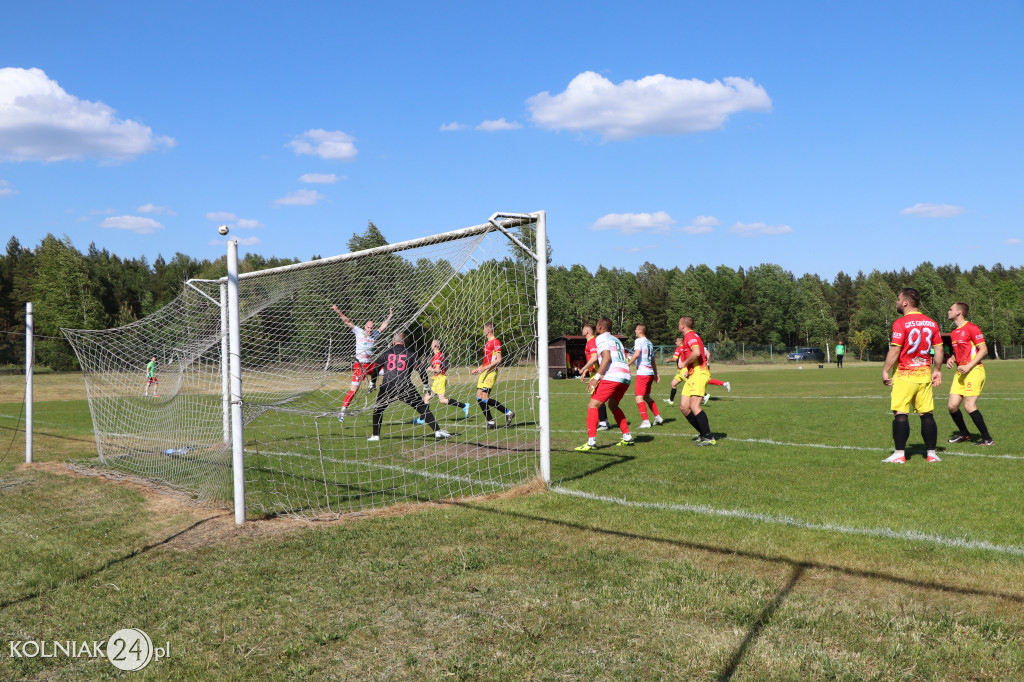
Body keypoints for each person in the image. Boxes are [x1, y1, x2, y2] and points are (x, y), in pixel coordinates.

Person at [881, 288, 944, 463]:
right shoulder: (932, 323)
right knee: (927, 414)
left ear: (906, 302)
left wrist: (885, 370)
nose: (897, 302)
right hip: (924, 374)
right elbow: (938, 348)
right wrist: (937, 370)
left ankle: (899, 454)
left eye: (898, 299)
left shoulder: (900, 323)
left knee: (901, 414)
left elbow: (895, 349)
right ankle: (931, 454)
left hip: (904, 374)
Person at [365, 331, 450, 441]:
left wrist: (372, 383)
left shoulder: (386, 352)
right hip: (405, 387)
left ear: (393, 341)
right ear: (404, 341)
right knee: (422, 408)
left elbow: (376, 368)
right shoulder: (410, 353)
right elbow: (421, 370)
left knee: (378, 410)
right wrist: (425, 384)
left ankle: (375, 436)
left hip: (388, 386)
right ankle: (437, 432)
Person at [575, 318, 635, 451]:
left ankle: (591, 442)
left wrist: (596, 378)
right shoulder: (616, 340)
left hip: (613, 375)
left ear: (600, 327)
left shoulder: (601, 338)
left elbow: (606, 358)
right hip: (626, 376)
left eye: (597, 325)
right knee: (613, 405)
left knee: (592, 405)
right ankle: (627, 437)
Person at [332, 305, 394, 422]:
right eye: (368, 327)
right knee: (354, 389)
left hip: (370, 365)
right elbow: (347, 321)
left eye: (372, 328)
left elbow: (383, 326)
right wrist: (337, 311)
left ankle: (373, 384)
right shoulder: (359, 331)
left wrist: (390, 315)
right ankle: (342, 412)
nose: (370, 330)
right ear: (365, 327)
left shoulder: (375, 334)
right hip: (360, 365)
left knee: (388, 371)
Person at [945, 302, 994, 446]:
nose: (948, 311)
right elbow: (959, 351)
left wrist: (969, 365)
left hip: (974, 370)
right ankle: (964, 434)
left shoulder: (972, 328)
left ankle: (987, 439)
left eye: (950, 309)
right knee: (952, 406)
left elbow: (983, 350)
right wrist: (952, 359)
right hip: (961, 372)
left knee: (969, 405)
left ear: (959, 312)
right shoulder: (954, 333)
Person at [677, 317, 716, 445]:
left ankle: (709, 437)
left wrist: (684, 363)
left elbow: (697, 352)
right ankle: (703, 433)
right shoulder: (689, 336)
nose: (678, 325)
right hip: (693, 374)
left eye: (679, 323)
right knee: (684, 407)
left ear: (683, 325)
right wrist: (688, 368)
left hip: (700, 372)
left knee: (694, 405)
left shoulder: (690, 335)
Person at [471, 322, 514, 428]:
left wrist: (486, 368)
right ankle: (491, 421)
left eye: (484, 329)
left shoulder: (496, 342)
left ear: (488, 330)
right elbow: (486, 361)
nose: (483, 331)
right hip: (484, 372)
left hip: (491, 372)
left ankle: (508, 413)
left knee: (484, 398)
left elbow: (499, 360)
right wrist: (479, 368)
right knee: (478, 398)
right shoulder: (487, 343)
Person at [418, 339, 470, 422]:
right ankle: (422, 419)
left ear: (435, 346)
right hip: (438, 379)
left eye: (432, 344)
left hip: (440, 379)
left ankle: (464, 405)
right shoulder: (440, 355)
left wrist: (430, 369)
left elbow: (438, 370)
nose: (431, 346)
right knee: (426, 398)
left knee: (441, 400)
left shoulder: (437, 356)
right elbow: (447, 365)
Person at [666, 336, 730, 405]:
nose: (675, 342)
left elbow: (675, 359)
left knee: (693, 382)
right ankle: (671, 400)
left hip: (685, 369)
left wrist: (669, 360)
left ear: (680, 342)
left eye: (676, 341)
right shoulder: (689, 348)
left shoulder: (680, 348)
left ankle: (705, 395)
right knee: (673, 383)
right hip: (683, 370)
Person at [627, 324, 662, 428]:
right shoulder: (649, 343)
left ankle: (646, 421)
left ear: (640, 331)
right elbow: (652, 360)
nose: (635, 330)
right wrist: (656, 374)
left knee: (639, 398)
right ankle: (658, 417)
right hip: (650, 373)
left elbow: (637, 354)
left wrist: (627, 364)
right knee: (646, 397)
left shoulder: (638, 341)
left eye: (636, 329)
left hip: (643, 373)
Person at [578, 323, 610, 431]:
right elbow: (592, 359)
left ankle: (603, 423)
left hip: (597, 373)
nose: (582, 330)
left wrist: (583, 368)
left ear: (587, 331)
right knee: (597, 398)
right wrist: (585, 371)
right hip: (595, 372)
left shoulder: (591, 341)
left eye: (583, 329)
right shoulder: (591, 341)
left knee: (597, 399)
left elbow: (594, 358)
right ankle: (604, 421)